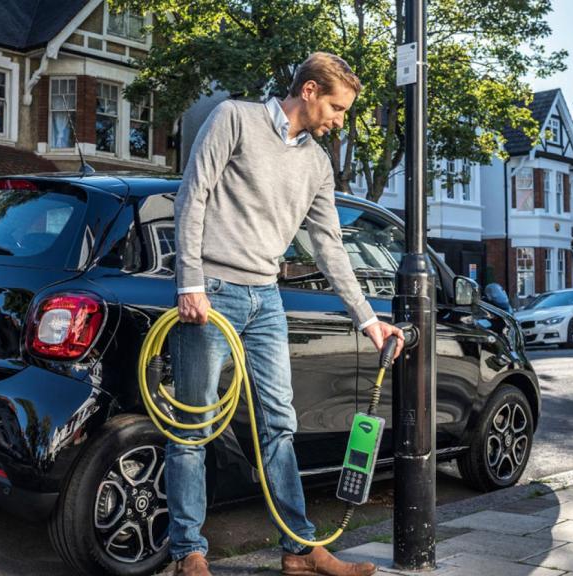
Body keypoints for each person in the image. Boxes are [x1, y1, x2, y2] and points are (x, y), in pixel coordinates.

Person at [168, 52, 405, 576]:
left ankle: (299, 550)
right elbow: (193, 195)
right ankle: (188, 551)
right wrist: (190, 282)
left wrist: (368, 320)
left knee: (279, 423)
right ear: (311, 91)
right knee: (193, 424)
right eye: (339, 108)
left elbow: (329, 247)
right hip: (212, 292)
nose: (341, 120)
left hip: (265, 298)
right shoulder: (235, 117)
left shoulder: (316, 164)